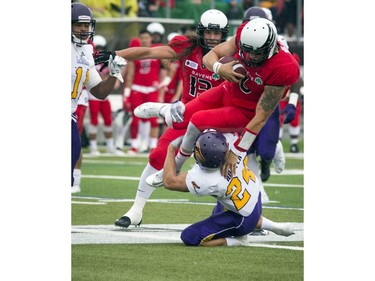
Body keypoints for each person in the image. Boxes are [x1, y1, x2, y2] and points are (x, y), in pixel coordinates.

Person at [94, 9, 229, 227]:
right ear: (201, 32)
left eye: (217, 33)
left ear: (224, 35)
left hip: (215, 122)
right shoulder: (188, 48)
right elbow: (148, 52)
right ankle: (136, 210)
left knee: (225, 170)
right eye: (209, 32)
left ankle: (246, 217)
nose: (213, 38)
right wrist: (117, 53)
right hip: (186, 116)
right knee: (157, 157)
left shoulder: (230, 57)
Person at [134, 17, 299, 189]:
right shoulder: (244, 36)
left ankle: (176, 165)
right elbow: (210, 56)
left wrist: (237, 151)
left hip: (243, 110)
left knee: (197, 121)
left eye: (256, 53)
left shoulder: (283, 67)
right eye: (246, 51)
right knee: (178, 120)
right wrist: (220, 68)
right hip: (225, 90)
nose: (249, 56)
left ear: (270, 47)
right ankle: (165, 110)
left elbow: (261, 117)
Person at [161, 130, 294, 246]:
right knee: (225, 208)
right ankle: (274, 226)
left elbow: (169, 181)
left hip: (241, 219)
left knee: (190, 236)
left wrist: (171, 148)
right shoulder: (235, 147)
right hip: (254, 196)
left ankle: (238, 241)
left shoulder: (208, 180)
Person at [71, 2, 126, 190]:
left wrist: (113, 73)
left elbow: (100, 92)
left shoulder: (86, 50)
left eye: (86, 25)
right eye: (78, 24)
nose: (84, 29)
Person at [123, 29, 176, 154]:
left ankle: (153, 146)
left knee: (153, 119)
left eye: (147, 38)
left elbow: (171, 69)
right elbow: (130, 75)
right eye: (142, 38)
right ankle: (134, 146)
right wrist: (126, 94)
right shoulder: (135, 53)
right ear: (139, 39)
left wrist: (164, 84)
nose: (145, 40)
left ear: (151, 39)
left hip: (152, 89)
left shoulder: (156, 52)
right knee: (135, 118)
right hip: (137, 88)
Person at [88, 34, 126, 156]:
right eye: (97, 48)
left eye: (101, 48)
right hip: (93, 95)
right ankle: (93, 146)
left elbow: (112, 80)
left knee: (108, 120)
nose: (99, 50)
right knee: (93, 121)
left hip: (104, 95)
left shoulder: (106, 61)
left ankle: (110, 146)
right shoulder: (90, 61)